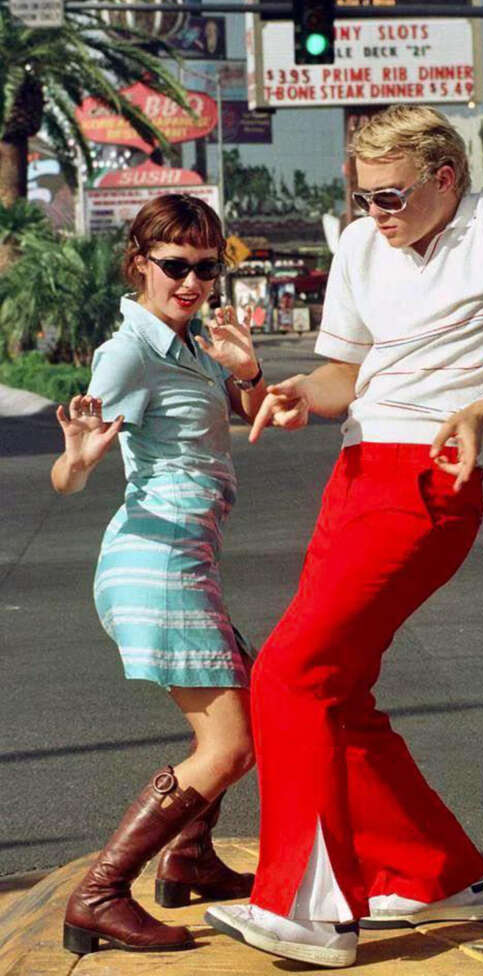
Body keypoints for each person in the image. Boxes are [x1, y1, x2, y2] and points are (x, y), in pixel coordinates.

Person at [204, 104, 483, 968]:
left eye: (392, 196)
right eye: (364, 197)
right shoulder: (357, 245)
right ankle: (434, 874)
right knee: (333, 691)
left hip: (430, 477)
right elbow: (348, 373)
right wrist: (302, 389)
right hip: (353, 473)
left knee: (291, 674)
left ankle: (306, 912)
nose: (376, 214)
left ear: (446, 178)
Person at [51, 193, 267, 955]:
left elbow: (257, 414)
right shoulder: (130, 351)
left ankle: (192, 859)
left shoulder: (189, 343)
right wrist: (76, 460)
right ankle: (100, 895)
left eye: (207, 268)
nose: (193, 282)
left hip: (183, 560)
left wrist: (248, 373)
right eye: (175, 266)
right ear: (140, 261)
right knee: (229, 746)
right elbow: (69, 473)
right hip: (157, 561)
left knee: (259, 700)